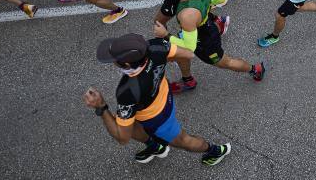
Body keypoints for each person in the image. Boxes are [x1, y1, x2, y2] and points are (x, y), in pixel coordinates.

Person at [86, 33, 231, 165]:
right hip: (164, 94)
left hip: (157, 118)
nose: (113, 61)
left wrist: (101, 106)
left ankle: (215, 150)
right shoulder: (156, 46)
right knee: (129, 122)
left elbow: (122, 138)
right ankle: (155, 146)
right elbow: (188, 54)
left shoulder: (127, 91)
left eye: (115, 59)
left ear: (127, 64)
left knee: (183, 141)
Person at [154, 0, 265, 92]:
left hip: (205, 41)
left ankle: (255, 69)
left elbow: (189, 49)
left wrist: (165, 35)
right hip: (205, 25)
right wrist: (209, 5)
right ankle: (188, 80)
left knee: (226, 62)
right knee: (179, 53)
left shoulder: (187, 15)